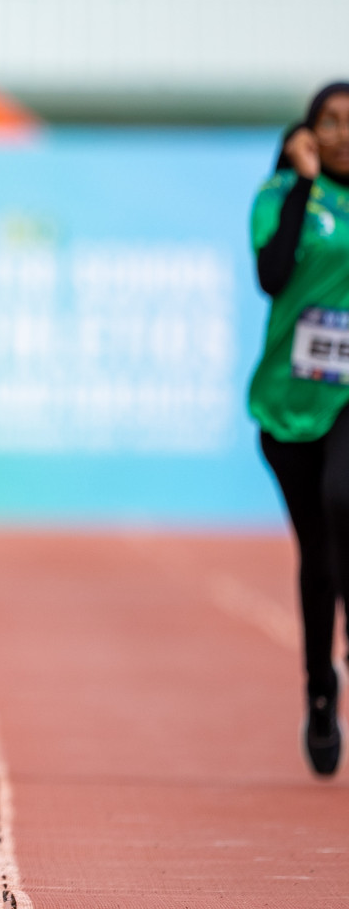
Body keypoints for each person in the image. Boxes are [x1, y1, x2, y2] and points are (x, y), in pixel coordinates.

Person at [250, 81, 349, 778]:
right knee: (318, 557)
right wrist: (300, 185)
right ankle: (320, 687)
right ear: (307, 134)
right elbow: (271, 273)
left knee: (347, 501)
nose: (345, 133)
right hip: (288, 405)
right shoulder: (281, 196)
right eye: (331, 122)